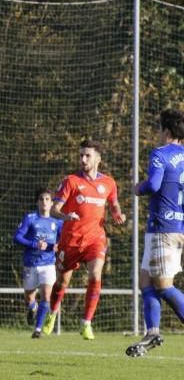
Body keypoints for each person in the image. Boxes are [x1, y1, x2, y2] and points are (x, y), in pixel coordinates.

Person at [41, 139, 126, 340]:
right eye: (81, 155)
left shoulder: (109, 183)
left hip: (95, 238)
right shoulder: (70, 181)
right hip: (70, 241)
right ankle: (52, 313)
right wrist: (66, 216)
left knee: (96, 276)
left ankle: (86, 322)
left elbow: (114, 204)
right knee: (62, 283)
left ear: (98, 158)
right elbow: (54, 210)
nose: (83, 159)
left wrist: (117, 214)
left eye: (87, 155)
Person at [128, 108, 184, 357]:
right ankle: (152, 332)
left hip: (163, 227)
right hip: (173, 226)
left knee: (163, 285)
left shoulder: (160, 154)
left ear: (167, 131)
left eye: (160, 128)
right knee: (146, 281)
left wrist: (137, 188)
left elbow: (153, 184)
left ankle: (153, 330)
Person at [13, 189, 63, 338]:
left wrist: (59, 246)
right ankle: (32, 307)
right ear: (37, 202)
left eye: (48, 199)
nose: (44, 202)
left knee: (47, 296)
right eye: (41, 199)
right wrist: (33, 244)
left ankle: (38, 329)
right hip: (31, 263)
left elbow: (64, 240)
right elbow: (17, 237)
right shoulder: (30, 218)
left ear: (52, 203)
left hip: (48, 264)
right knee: (29, 297)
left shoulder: (57, 222)